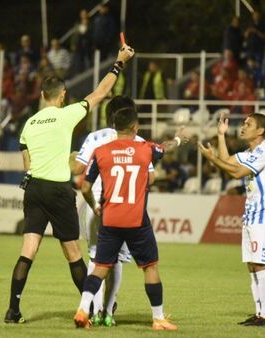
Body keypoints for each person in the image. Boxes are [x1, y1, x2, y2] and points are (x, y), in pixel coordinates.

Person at [4, 42, 135, 324]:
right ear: (62, 96)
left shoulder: (29, 123)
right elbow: (101, 93)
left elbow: (27, 163)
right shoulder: (66, 115)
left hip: (34, 188)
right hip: (58, 190)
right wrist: (119, 62)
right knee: (73, 253)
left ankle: (13, 310)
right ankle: (91, 308)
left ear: (42, 95)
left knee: (28, 250)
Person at [73, 99, 183, 331]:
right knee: (150, 267)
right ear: (135, 128)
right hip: (135, 218)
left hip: (109, 217)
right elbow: (165, 148)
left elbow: (83, 186)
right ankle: (158, 318)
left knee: (99, 266)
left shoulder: (101, 151)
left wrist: (95, 205)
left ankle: (84, 309)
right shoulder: (145, 148)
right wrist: (179, 139)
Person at [198, 112, 265, 326]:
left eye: (248, 124)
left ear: (260, 131)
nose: (243, 127)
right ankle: (259, 312)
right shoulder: (250, 152)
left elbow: (236, 173)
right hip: (252, 216)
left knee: (261, 265)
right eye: (244, 123)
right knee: (252, 266)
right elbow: (227, 161)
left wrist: (211, 158)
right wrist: (221, 136)